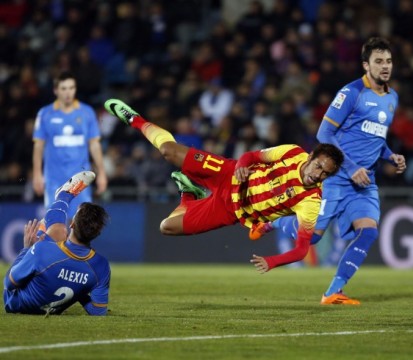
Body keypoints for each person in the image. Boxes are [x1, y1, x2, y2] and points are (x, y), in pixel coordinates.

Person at [103, 99, 344, 273]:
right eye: (318, 166)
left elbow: (302, 250)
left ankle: (188, 195)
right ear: (311, 157)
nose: (318, 174)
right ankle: (134, 119)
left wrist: (272, 262)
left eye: (326, 173)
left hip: (231, 210)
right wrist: (241, 165)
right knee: (168, 151)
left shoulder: (310, 202)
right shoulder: (292, 153)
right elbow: (252, 156)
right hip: (228, 174)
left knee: (167, 227)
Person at [251, 37, 407, 305]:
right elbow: (324, 132)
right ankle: (271, 222)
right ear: (365, 65)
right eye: (378, 61)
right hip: (336, 178)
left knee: (369, 231)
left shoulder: (392, 98)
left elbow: (375, 138)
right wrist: (351, 166)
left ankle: (333, 291)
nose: (385, 66)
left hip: (364, 182)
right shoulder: (351, 93)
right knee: (311, 238)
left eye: (389, 61)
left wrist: (390, 155)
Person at [4, 171, 111, 315]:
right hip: (53, 309)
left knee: (55, 231)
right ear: (97, 234)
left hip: (16, 304)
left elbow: (9, 283)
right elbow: (98, 311)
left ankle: (64, 196)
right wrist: (80, 289)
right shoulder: (101, 266)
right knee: (55, 236)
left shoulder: (42, 249)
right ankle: (63, 197)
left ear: (72, 224)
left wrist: (27, 249)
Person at [33, 71, 108, 219]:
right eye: (64, 88)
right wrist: (37, 174)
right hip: (54, 179)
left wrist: (102, 173)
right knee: (55, 223)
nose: (68, 93)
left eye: (71, 88)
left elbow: (94, 145)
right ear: (56, 90)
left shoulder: (86, 113)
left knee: (82, 222)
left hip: (80, 179)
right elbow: (38, 146)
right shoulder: (45, 114)